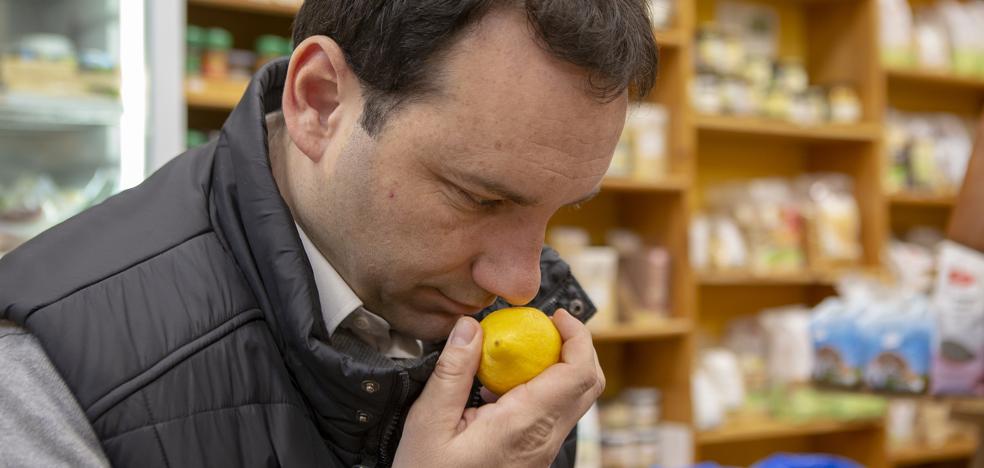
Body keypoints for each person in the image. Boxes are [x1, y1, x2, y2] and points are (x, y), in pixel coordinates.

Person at [0, 1, 659, 466]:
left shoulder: (520, 324)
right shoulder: (41, 383)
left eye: (559, 211)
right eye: (479, 198)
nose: (522, 283)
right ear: (319, 103)